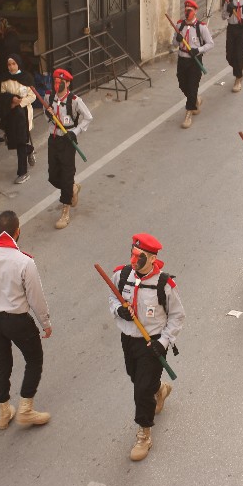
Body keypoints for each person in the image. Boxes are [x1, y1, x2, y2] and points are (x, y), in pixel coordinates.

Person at [0, 210, 52, 430]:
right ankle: (25, 409)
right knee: (34, 359)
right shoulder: (24, 261)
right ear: (18, 231)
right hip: (18, 321)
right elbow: (36, 297)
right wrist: (45, 323)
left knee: (2, 362)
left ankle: (3, 412)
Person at [108, 234, 185, 461]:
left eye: (139, 256)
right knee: (136, 377)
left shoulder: (164, 285)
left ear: (151, 258)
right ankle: (159, 389)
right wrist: (118, 310)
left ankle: (144, 433)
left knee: (141, 390)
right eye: (132, 253)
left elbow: (177, 316)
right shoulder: (121, 275)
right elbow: (112, 298)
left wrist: (164, 343)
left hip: (152, 343)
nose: (133, 260)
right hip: (129, 339)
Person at [44, 69, 92, 229]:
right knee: (53, 176)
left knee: (67, 173)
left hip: (67, 140)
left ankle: (65, 212)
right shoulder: (48, 96)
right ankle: (71, 188)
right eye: (55, 81)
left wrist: (75, 131)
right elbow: (46, 117)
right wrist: (49, 115)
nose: (58, 84)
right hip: (54, 139)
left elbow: (88, 117)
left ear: (68, 83)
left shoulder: (75, 100)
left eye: (61, 82)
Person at [171, 0, 214, 128]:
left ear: (195, 11)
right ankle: (194, 99)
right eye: (186, 10)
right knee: (182, 83)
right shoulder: (180, 26)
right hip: (182, 59)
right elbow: (174, 43)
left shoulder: (201, 27)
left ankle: (189, 112)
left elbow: (210, 43)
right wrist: (177, 40)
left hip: (194, 61)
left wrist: (198, 50)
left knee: (192, 85)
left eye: (190, 10)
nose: (187, 12)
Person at [0, 54, 36, 183]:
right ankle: (29, 150)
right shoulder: (5, 79)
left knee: (20, 142)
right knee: (13, 141)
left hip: (22, 113)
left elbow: (33, 96)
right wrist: (11, 101)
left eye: (14, 64)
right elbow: (2, 96)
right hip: (10, 113)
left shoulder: (26, 78)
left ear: (18, 64)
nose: (11, 67)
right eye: (9, 64)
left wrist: (19, 102)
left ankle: (23, 172)